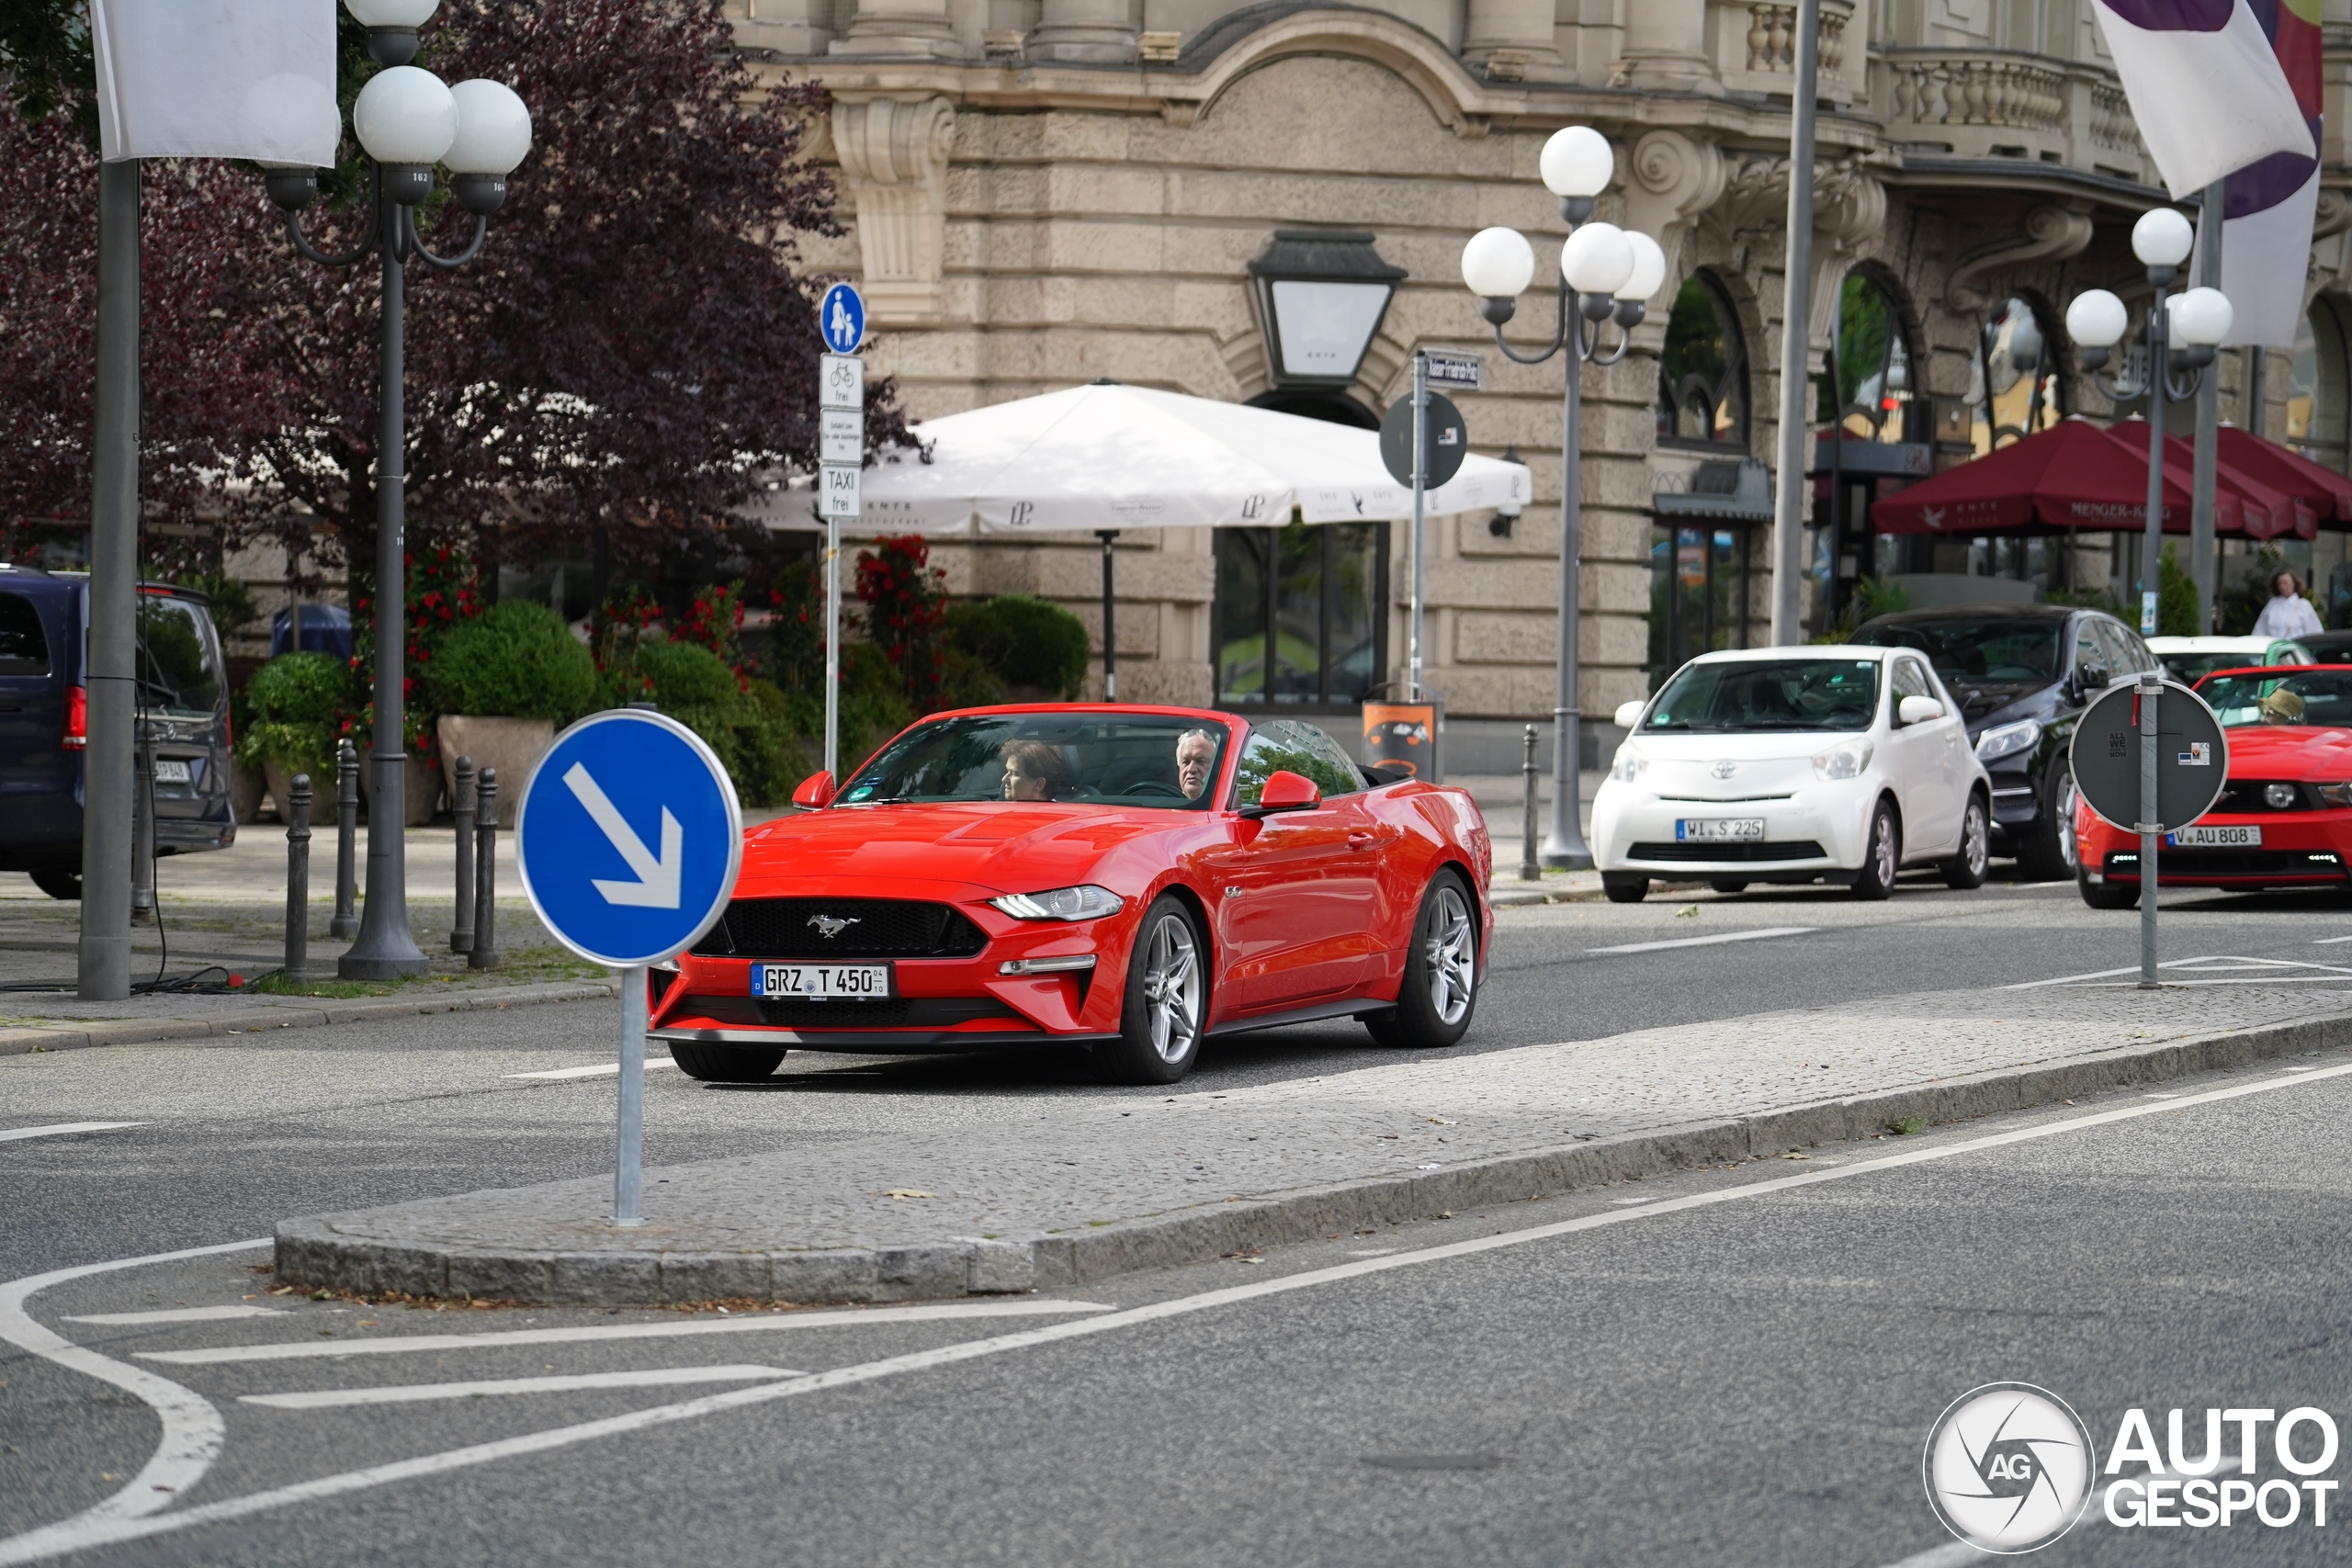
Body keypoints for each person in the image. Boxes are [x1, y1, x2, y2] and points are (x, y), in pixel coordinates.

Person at [2253, 569, 2324, 639]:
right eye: (2279, 583)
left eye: (2286, 583)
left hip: (2296, 649)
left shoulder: (2304, 605)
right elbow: (2259, 630)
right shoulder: (2272, 604)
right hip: (2274, 648)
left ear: (2294, 584)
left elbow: (2315, 632)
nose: (2282, 586)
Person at [999, 739, 1075, 801]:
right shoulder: (999, 815)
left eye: (1014, 773)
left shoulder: (1056, 818)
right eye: (1008, 771)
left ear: (1039, 784)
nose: (1004, 779)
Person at [1175, 728, 1217, 800]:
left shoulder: (1230, 806)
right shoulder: (1164, 807)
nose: (1191, 769)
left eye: (1201, 761)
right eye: (1186, 762)